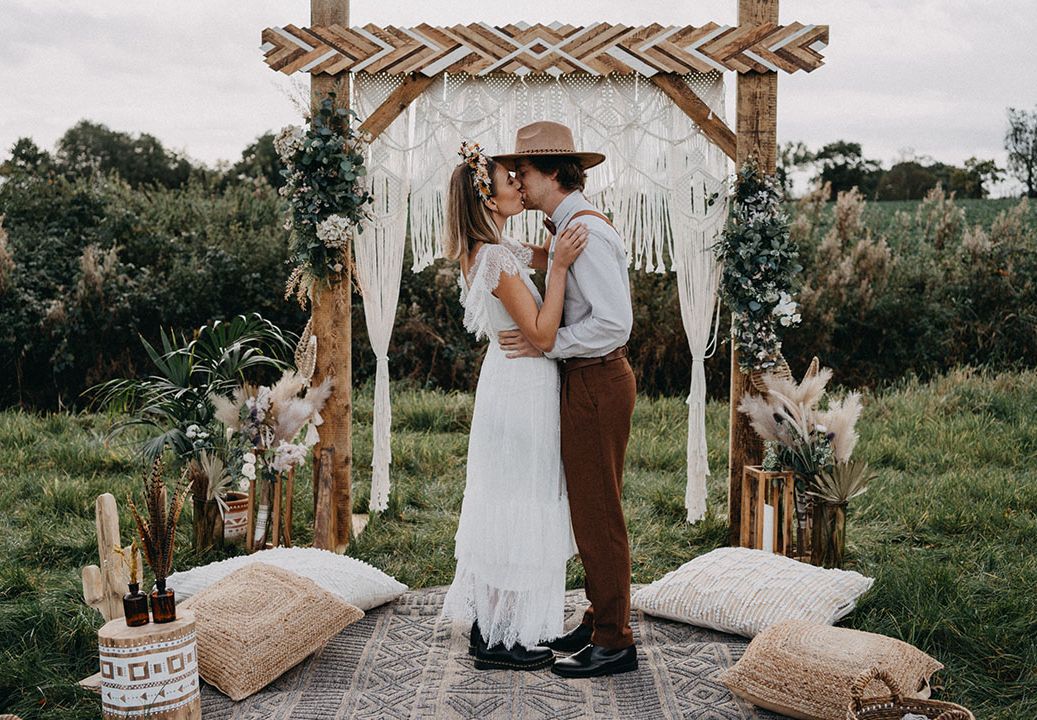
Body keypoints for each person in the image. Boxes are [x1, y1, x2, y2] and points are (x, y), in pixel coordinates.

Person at [493, 121, 638, 679]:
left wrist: (545, 347)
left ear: (552, 172)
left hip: (597, 377)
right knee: (588, 506)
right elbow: (555, 267)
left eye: (524, 172)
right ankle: (601, 616)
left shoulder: (586, 232)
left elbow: (613, 323)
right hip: (586, 378)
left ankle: (614, 641)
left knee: (598, 512)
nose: (518, 181)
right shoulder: (567, 226)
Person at [440, 140, 589, 672]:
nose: (519, 185)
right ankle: (506, 639)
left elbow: (541, 256)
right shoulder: (497, 257)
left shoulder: (487, 250)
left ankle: (491, 628)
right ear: (488, 196)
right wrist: (564, 269)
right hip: (524, 388)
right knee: (521, 500)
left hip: (505, 383)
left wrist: (567, 240)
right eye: (510, 180)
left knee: (502, 499)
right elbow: (544, 333)